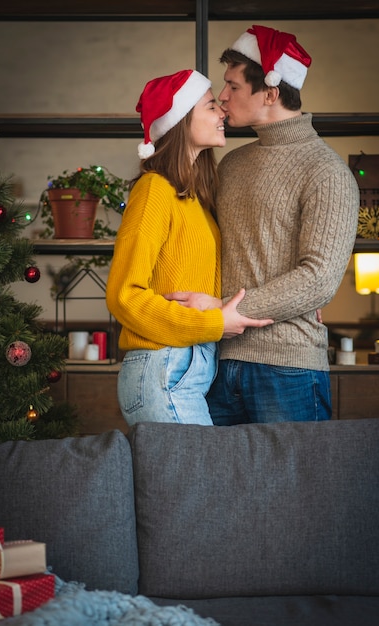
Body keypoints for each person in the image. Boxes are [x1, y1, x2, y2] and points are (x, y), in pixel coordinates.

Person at [165, 26, 360, 425]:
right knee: (217, 488)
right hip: (216, 364)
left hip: (289, 368)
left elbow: (319, 279)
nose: (222, 97)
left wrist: (224, 311)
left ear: (270, 93)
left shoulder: (326, 172)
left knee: (294, 488)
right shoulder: (231, 164)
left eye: (233, 87)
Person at [106, 69, 273, 428]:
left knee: (195, 482)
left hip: (186, 370)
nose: (222, 113)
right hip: (163, 370)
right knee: (198, 483)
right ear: (182, 120)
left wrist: (298, 301)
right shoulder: (154, 190)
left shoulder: (194, 198)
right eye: (212, 106)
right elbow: (124, 295)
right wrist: (215, 322)